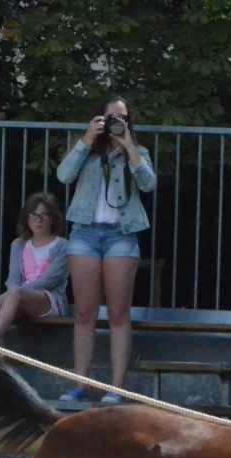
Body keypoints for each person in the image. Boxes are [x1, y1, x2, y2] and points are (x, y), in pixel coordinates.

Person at [55, 96, 156, 405]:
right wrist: (87, 139)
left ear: (128, 121)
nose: (114, 121)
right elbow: (63, 175)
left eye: (121, 117)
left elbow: (149, 184)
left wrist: (127, 146)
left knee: (117, 314)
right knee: (84, 313)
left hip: (121, 237)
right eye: (109, 116)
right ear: (97, 118)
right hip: (85, 234)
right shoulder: (86, 151)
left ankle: (117, 387)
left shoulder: (137, 152)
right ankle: (80, 383)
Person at [0, 192, 70, 345]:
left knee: (16, 293)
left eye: (44, 215)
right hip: (18, 296)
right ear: (26, 218)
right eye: (33, 215)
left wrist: (19, 293)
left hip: (48, 300)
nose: (38, 220)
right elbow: (13, 279)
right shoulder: (18, 244)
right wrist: (15, 294)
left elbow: (49, 281)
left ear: (53, 218)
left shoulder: (63, 246)